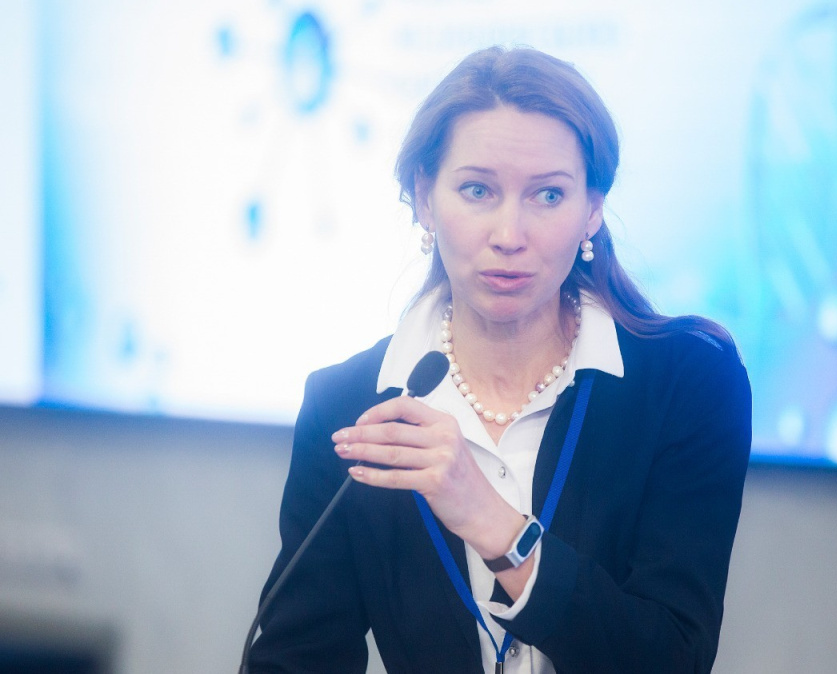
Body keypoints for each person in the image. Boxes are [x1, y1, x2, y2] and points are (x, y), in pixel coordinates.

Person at [249, 46, 751, 674]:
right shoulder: (351, 407)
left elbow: (674, 657)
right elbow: (296, 658)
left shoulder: (689, 383)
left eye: (548, 195)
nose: (509, 235)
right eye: (478, 190)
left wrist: (499, 529)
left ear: (592, 208)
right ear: (425, 199)